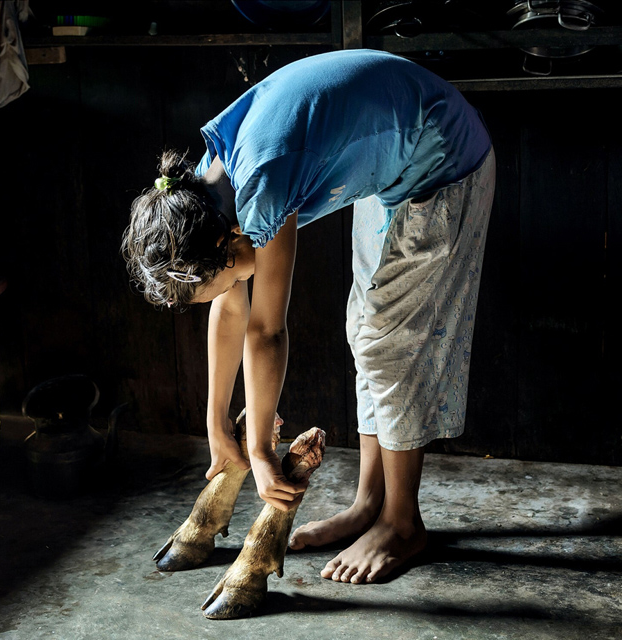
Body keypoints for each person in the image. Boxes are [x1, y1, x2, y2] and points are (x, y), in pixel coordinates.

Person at [122, 49, 495, 585]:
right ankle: (369, 504)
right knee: (364, 328)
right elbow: (230, 306)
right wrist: (214, 422)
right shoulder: (201, 199)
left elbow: (266, 329)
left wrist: (258, 449)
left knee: (387, 342)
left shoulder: (263, 185)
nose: (227, 290)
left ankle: (402, 524)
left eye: (220, 281)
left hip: (442, 157)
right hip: (392, 164)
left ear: (228, 246)